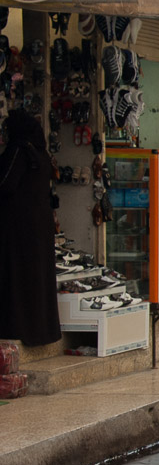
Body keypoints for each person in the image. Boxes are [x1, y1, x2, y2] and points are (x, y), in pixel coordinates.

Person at [0, 109, 61, 347]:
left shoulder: (19, 151)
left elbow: (5, 184)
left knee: (17, 278)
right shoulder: (40, 154)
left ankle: (16, 327)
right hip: (39, 226)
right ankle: (39, 331)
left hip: (18, 227)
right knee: (36, 279)